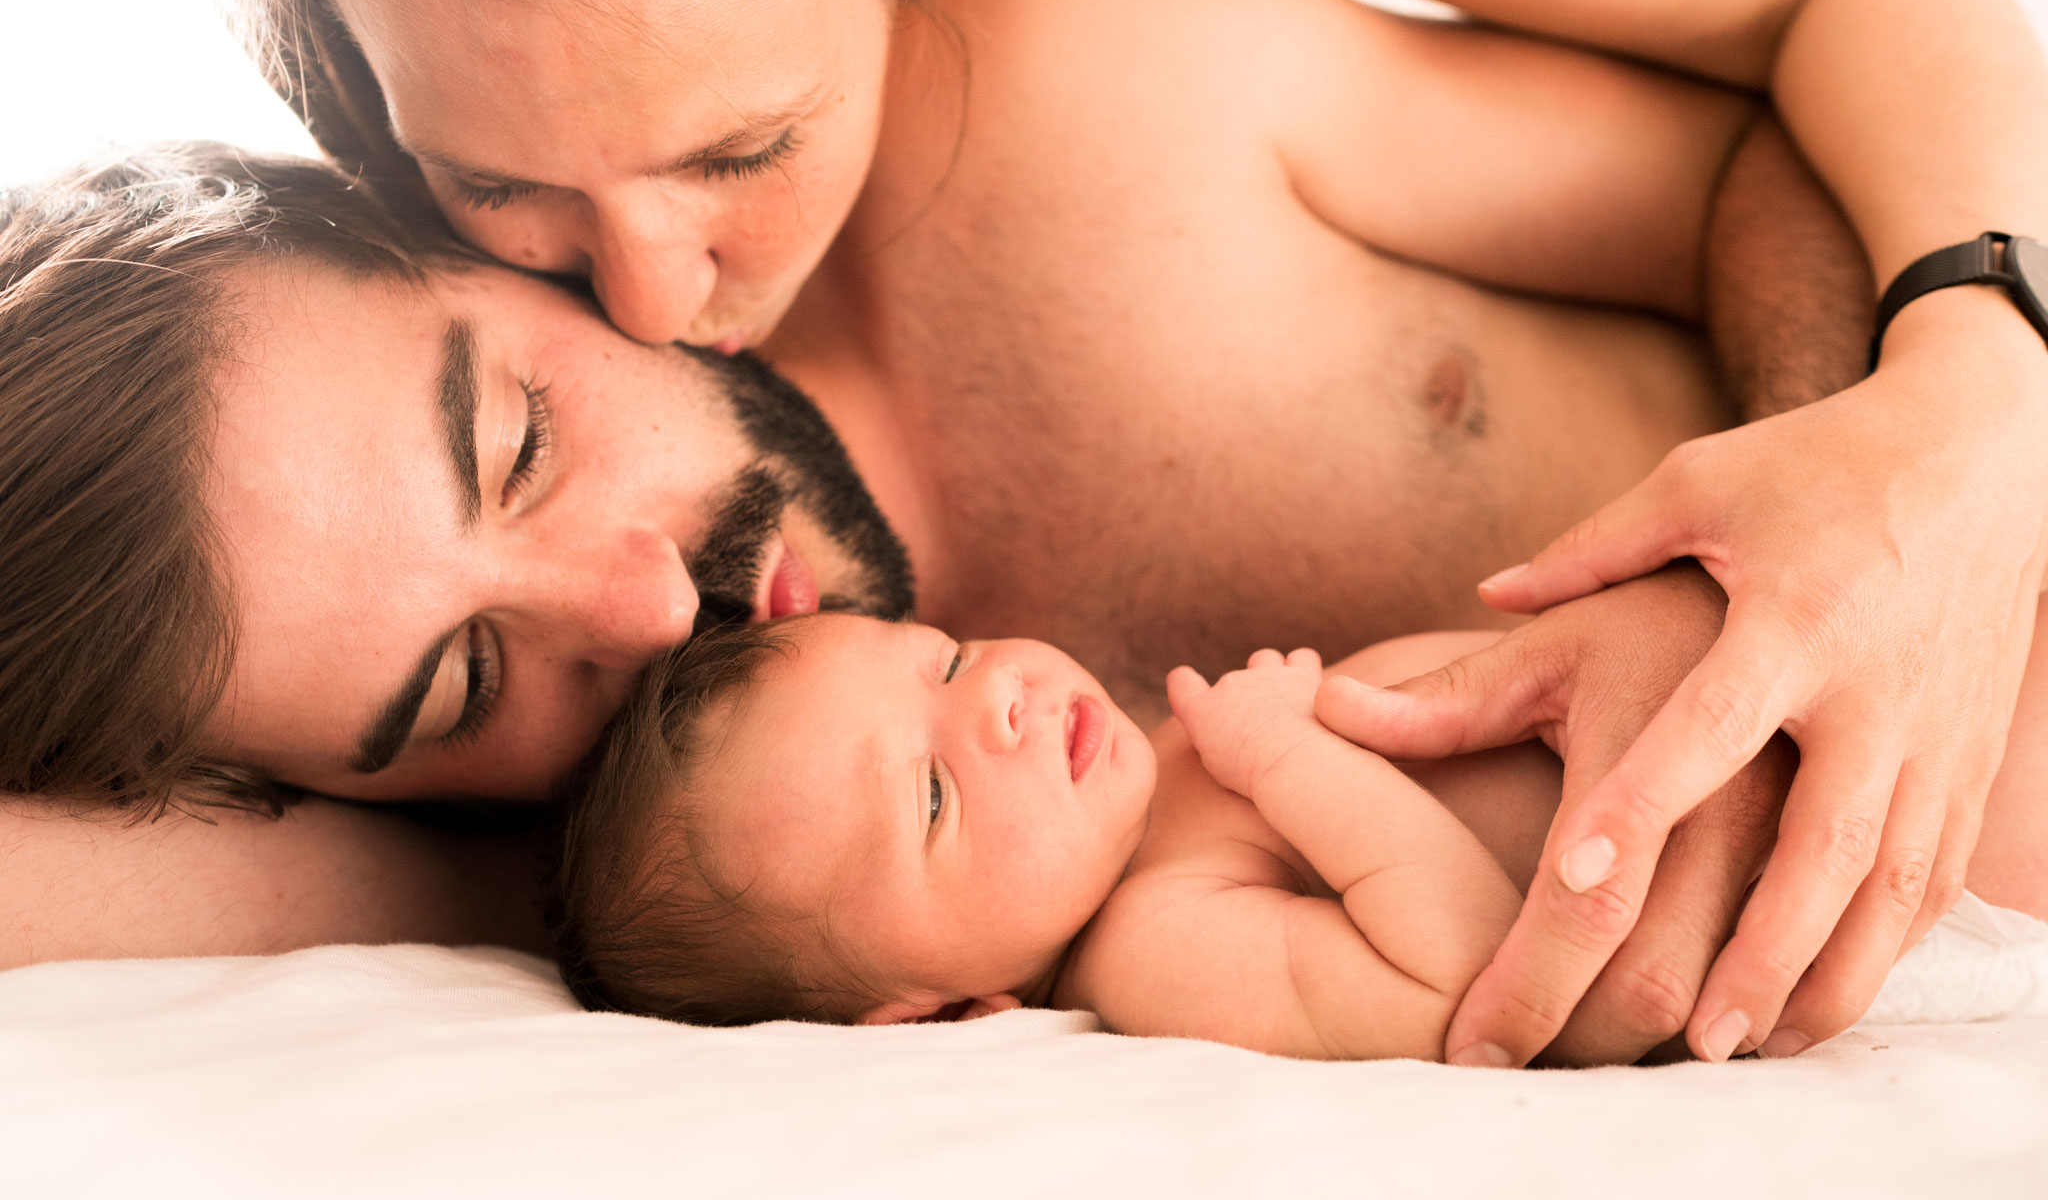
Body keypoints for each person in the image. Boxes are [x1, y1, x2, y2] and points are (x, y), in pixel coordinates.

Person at [0, 0, 2023, 1066]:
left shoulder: (1065, 100)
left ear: (474, 228)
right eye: (460, 684)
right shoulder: (692, 873)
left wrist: (1817, 532)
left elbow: (1750, 160)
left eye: (522, 434)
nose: (636, 610)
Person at [549, 601, 2047, 1061]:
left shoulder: (1145, 781)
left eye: (940, 658)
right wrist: (1281, 755)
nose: (993, 701)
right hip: (1846, 854)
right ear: (936, 1009)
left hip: (1793, 703)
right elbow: (1459, 966)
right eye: (932, 796)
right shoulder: (1152, 947)